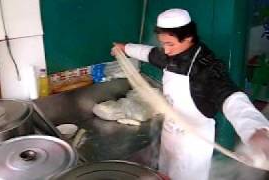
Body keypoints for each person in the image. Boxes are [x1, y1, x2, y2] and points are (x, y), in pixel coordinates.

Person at [111, 8, 269, 180]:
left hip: (192, 147)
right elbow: (149, 54)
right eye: (163, 43)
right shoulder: (170, 53)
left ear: (188, 37)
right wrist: (125, 48)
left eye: (170, 44)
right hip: (170, 135)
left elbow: (232, 98)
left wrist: (255, 129)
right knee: (164, 174)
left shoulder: (206, 69)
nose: (166, 49)